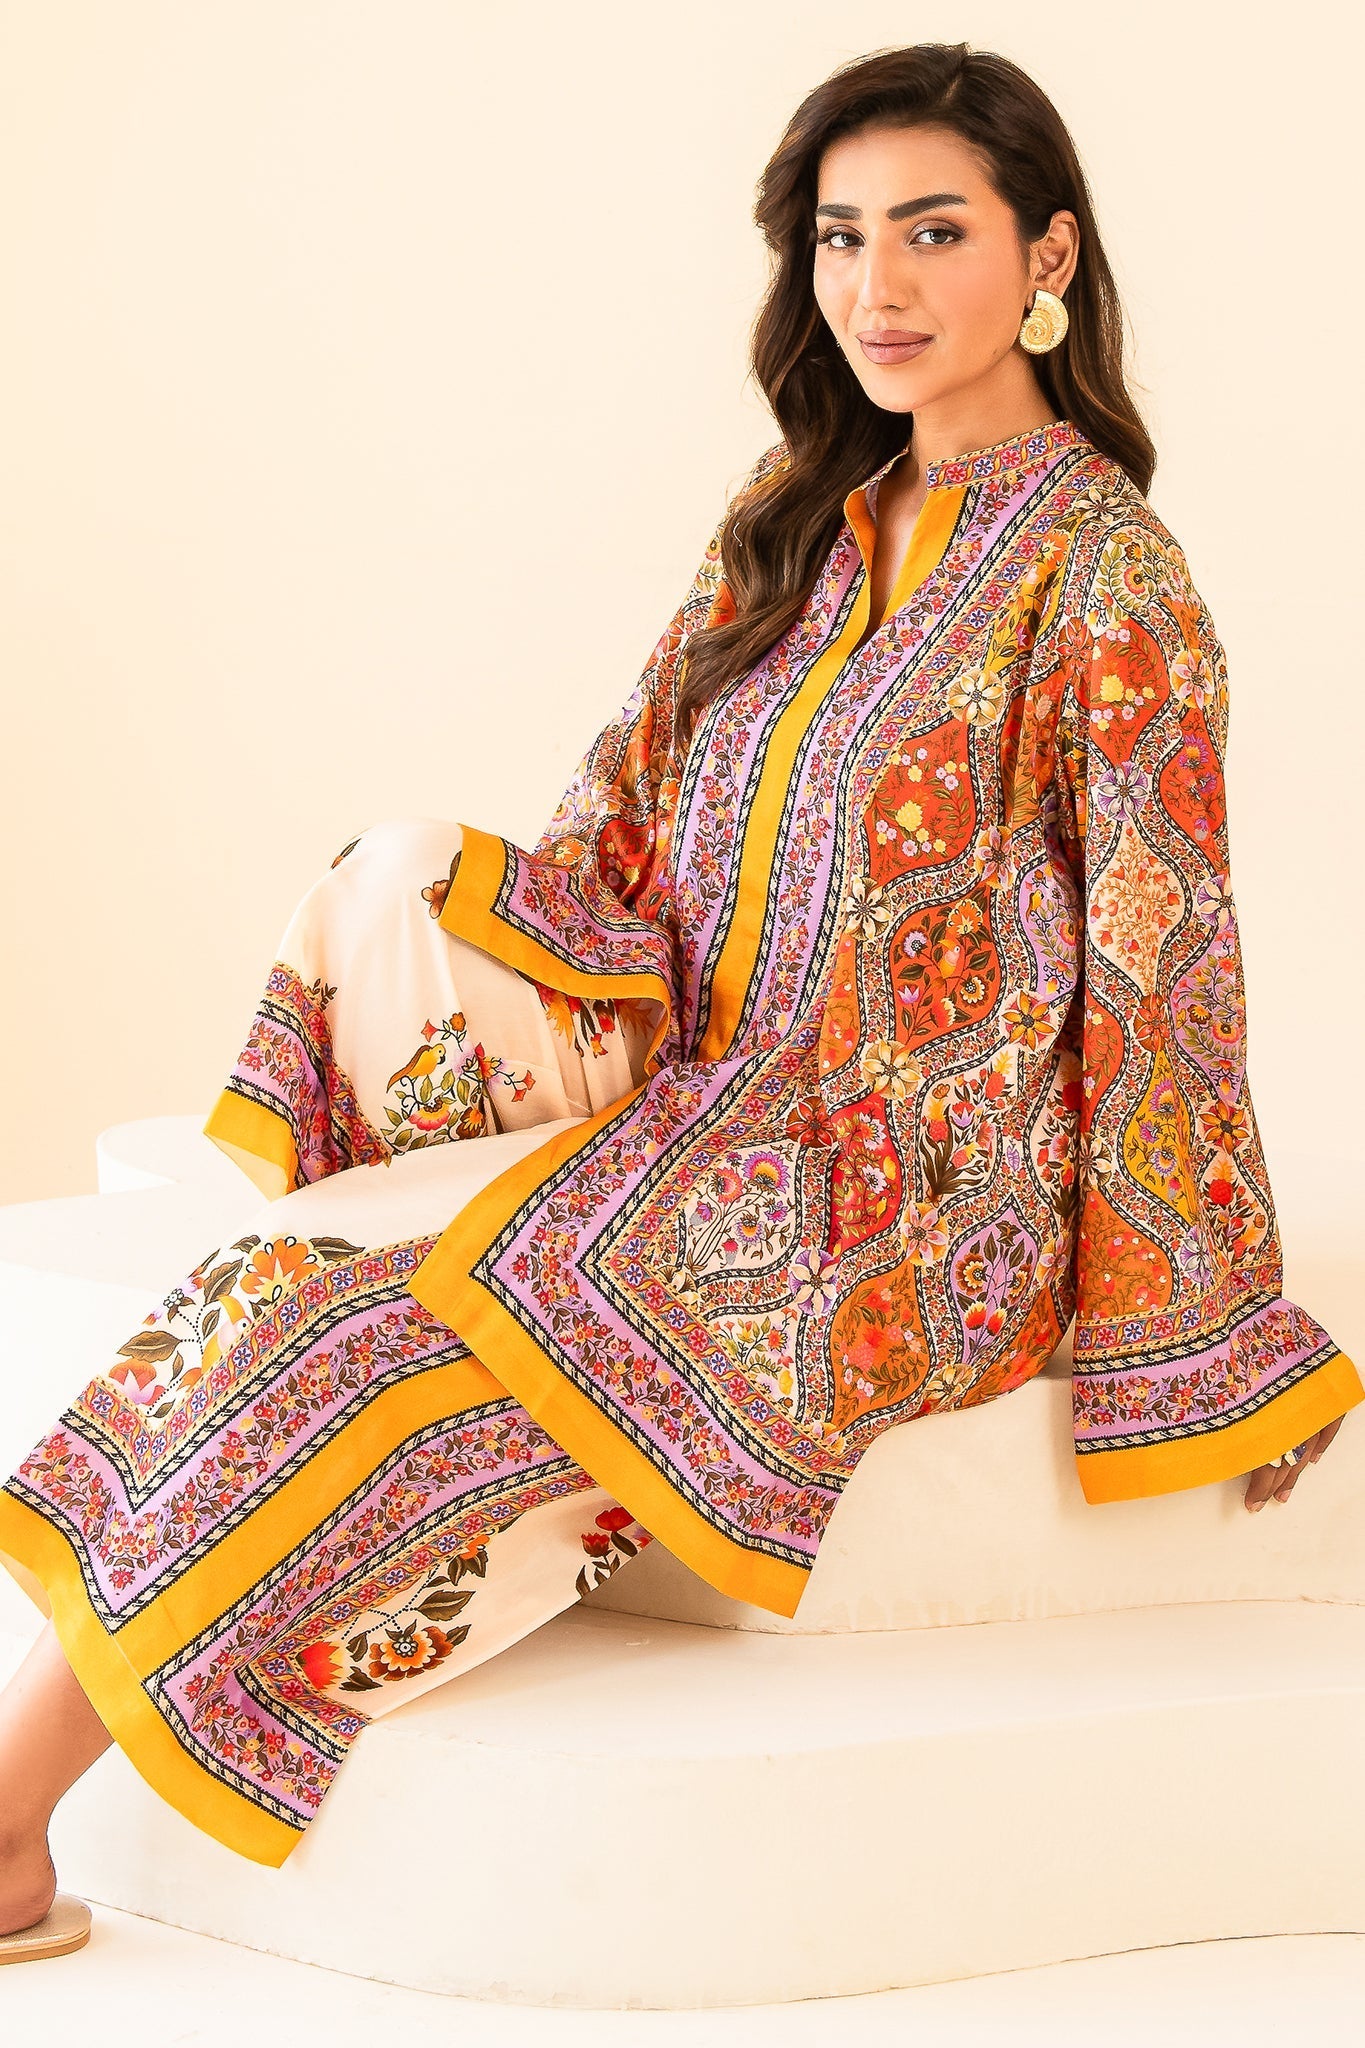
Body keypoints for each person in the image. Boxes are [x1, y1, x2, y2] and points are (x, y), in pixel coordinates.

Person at [0, 39, 1358, 1967]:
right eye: (838, 238)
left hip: (904, 1190)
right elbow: (612, 827)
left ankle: (7, 1821)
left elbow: (1167, 962)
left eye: (932, 233)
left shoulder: (1107, 583)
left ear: (1046, 257)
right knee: (310, 1187)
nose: (874, 287)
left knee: (377, 1345)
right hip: (693, 1094)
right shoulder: (793, 517)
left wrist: (1200, 1344)